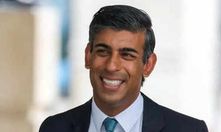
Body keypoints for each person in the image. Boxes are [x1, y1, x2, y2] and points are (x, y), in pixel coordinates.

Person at [39, 5, 208, 132]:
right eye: (102, 51)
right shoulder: (54, 128)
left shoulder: (188, 130)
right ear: (88, 56)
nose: (112, 66)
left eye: (127, 55)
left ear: (148, 64)